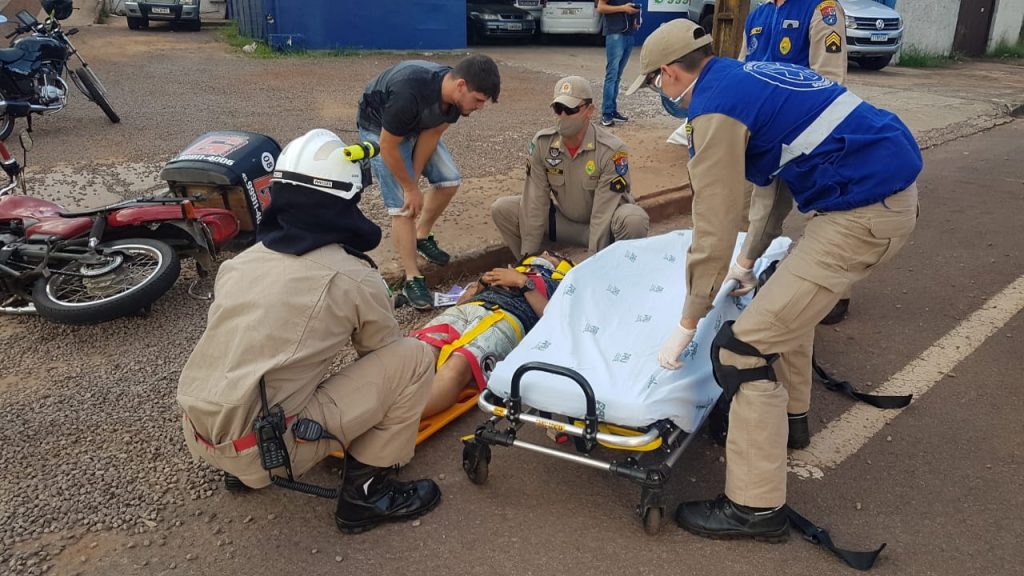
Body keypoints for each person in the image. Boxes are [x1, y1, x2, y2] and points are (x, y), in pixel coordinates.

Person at [625, 19, 920, 540]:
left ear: (669, 73)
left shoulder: (714, 110)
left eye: (654, 83)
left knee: (742, 349)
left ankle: (753, 508)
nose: (660, 93)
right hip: (879, 195)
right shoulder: (750, 77)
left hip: (863, 212)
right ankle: (791, 421)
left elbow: (713, 223)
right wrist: (748, 264)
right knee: (781, 302)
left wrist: (689, 320)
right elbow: (778, 181)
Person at [177, 130, 441, 534]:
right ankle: (366, 494)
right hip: (265, 449)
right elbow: (381, 353)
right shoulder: (354, 276)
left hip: (201, 433)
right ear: (344, 201)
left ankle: (241, 470)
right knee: (414, 358)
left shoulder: (241, 264)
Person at [739, 0, 850, 446]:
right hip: (769, 138)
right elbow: (748, 71)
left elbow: (830, 80)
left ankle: (836, 293)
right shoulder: (759, 12)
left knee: (828, 222)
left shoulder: (821, 11)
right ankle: (753, 272)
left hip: (811, 135)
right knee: (761, 213)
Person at [357, 55, 502, 310]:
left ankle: (421, 236)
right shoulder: (409, 93)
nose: (480, 107)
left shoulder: (456, 103)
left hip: (416, 127)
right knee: (403, 206)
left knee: (449, 180)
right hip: (381, 128)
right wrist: (409, 189)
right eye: (478, 100)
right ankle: (413, 279)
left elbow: (432, 132)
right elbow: (389, 146)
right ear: (461, 86)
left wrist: (412, 176)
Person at [491, 75, 650, 259]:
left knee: (633, 220)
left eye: (571, 109)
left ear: (590, 110)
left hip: (606, 226)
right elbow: (535, 200)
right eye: (558, 109)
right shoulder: (543, 144)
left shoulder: (611, 150)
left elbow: (602, 212)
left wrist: (591, 267)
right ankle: (541, 270)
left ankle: (617, 277)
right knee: (503, 209)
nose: (563, 116)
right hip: (566, 223)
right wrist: (531, 259)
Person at [411, 252, 574, 417]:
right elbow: (462, 301)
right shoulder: (508, 271)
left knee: (459, 365)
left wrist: (523, 283)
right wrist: (481, 284)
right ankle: (388, 402)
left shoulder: (562, 285)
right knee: (419, 353)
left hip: (510, 317)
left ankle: (399, 421)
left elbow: (554, 322)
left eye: (553, 255)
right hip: (470, 308)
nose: (545, 253)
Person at [596, 0, 642, 127]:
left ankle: (612, 110)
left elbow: (628, 9)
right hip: (615, 34)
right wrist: (623, 8)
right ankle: (606, 113)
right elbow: (600, 7)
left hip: (628, 34)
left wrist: (634, 19)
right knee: (612, 74)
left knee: (617, 76)